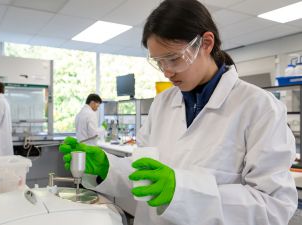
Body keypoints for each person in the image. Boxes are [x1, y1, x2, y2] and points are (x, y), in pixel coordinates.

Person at [59, 0, 298, 224]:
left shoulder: (259, 107)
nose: (166, 72)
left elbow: (273, 205)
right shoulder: (162, 104)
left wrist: (182, 192)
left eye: (173, 58)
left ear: (206, 43)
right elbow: (143, 173)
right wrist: (108, 169)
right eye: (159, 62)